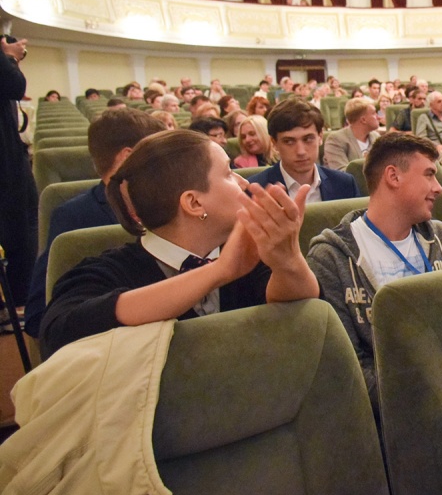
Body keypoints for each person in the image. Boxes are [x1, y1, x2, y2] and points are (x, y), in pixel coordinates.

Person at [39, 130, 320, 358]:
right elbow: (60, 333)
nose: (242, 181)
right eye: (227, 173)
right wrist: (217, 272)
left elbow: (306, 314)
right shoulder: (106, 271)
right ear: (194, 203)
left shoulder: (245, 252)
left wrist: (287, 259)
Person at [307, 133, 442, 411]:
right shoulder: (331, 257)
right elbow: (348, 366)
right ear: (393, 176)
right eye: (429, 175)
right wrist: (426, 395)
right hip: (387, 411)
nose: (439, 188)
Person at [24, 109, 165, 338]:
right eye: (158, 155)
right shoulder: (75, 216)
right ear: (127, 158)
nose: (169, 164)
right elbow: (40, 314)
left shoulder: (176, 202)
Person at [247, 98, 360, 203]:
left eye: (308, 139)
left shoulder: (344, 183)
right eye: (289, 142)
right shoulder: (254, 189)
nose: (301, 151)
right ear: (274, 143)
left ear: (320, 137)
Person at [0, 34, 35, 306]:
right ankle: (18, 300)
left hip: (8, 154)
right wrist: (10, 57)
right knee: (20, 226)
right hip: (6, 160)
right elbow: (14, 84)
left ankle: (17, 298)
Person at [323, 97, 380, 171]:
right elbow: (341, 172)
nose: (378, 117)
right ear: (363, 120)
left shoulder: (376, 137)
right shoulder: (336, 140)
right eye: (374, 113)